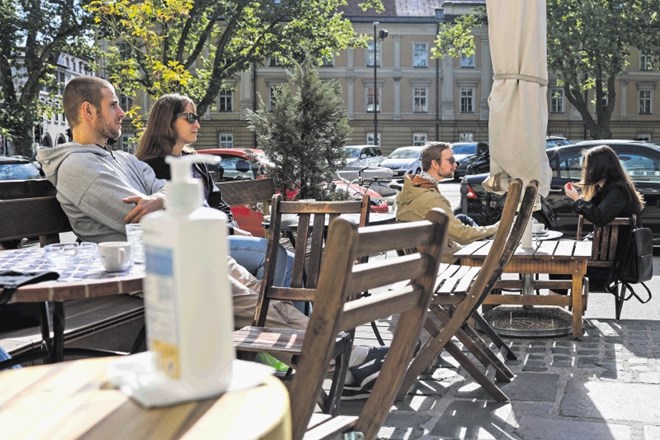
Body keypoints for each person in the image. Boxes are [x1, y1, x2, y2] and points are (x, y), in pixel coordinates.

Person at [36, 76, 384, 397]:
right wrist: (165, 200)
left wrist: (160, 198)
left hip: (181, 256)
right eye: (113, 105)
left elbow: (178, 199)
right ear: (87, 110)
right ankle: (345, 360)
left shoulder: (122, 160)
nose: (123, 112)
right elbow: (144, 218)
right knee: (247, 300)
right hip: (145, 271)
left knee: (261, 296)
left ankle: (345, 358)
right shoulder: (79, 167)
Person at [134, 93, 293, 287]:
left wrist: (232, 229)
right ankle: (265, 314)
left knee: (292, 260)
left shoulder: (194, 162)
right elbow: (182, 218)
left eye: (197, 118)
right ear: (167, 121)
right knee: (275, 254)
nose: (197, 124)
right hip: (192, 246)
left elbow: (219, 203)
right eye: (190, 117)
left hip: (219, 237)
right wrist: (232, 230)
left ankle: (297, 316)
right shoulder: (151, 167)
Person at [396, 142, 498, 263]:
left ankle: (488, 238)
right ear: (434, 164)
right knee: (495, 258)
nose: (455, 165)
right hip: (446, 261)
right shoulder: (431, 199)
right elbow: (462, 236)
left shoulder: (411, 189)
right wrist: (495, 228)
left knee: (462, 217)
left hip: (427, 255)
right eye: (451, 160)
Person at [563, 144, 645, 289]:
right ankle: (565, 308)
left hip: (609, 265)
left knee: (559, 267)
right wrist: (580, 198)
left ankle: (559, 310)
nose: (585, 171)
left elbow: (600, 217)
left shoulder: (617, 189)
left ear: (600, 168)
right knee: (559, 264)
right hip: (605, 257)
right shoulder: (608, 187)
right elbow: (594, 211)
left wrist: (577, 200)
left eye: (588, 167)